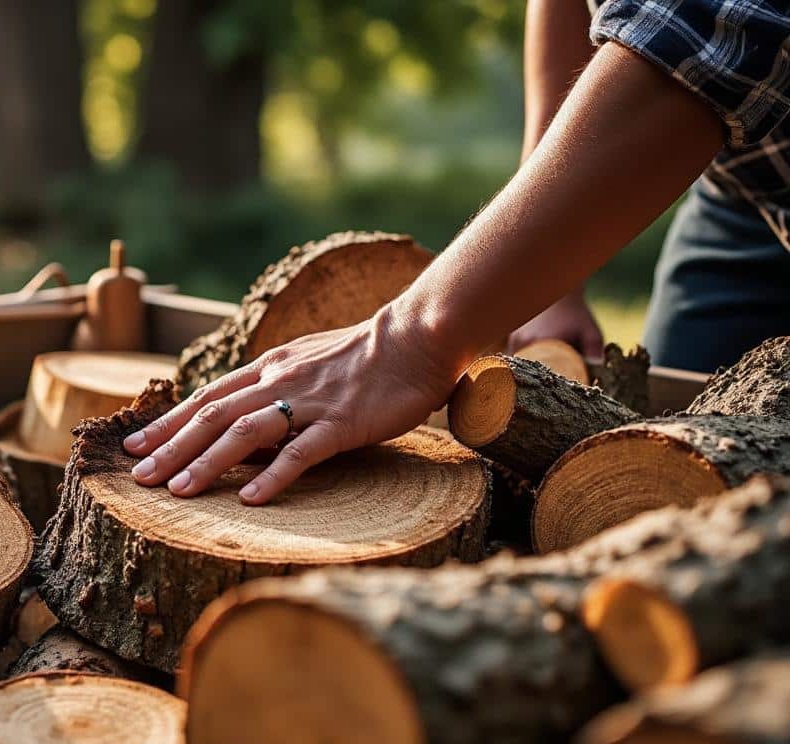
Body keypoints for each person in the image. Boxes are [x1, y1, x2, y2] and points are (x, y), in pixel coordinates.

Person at [125, 0, 790, 505]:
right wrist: (555, 278)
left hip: (739, 124)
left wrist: (408, 341)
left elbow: (706, 38)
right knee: (671, 475)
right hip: (748, 185)